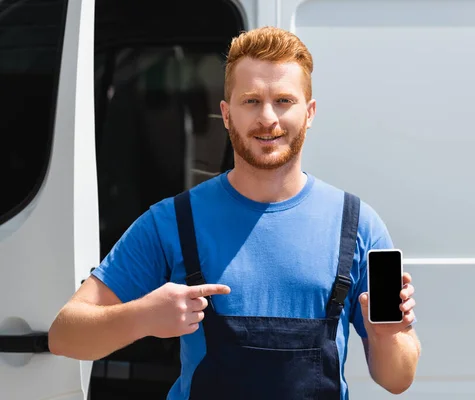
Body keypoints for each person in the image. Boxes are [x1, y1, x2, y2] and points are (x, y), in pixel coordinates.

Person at [48, 26, 421, 400]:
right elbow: (65, 335)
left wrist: (387, 333)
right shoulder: (173, 222)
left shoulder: (356, 226)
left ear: (309, 113)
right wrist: (143, 317)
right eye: (251, 101)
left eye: (284, 101)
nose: (268, 118)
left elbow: (397, 379)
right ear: (226, 114)